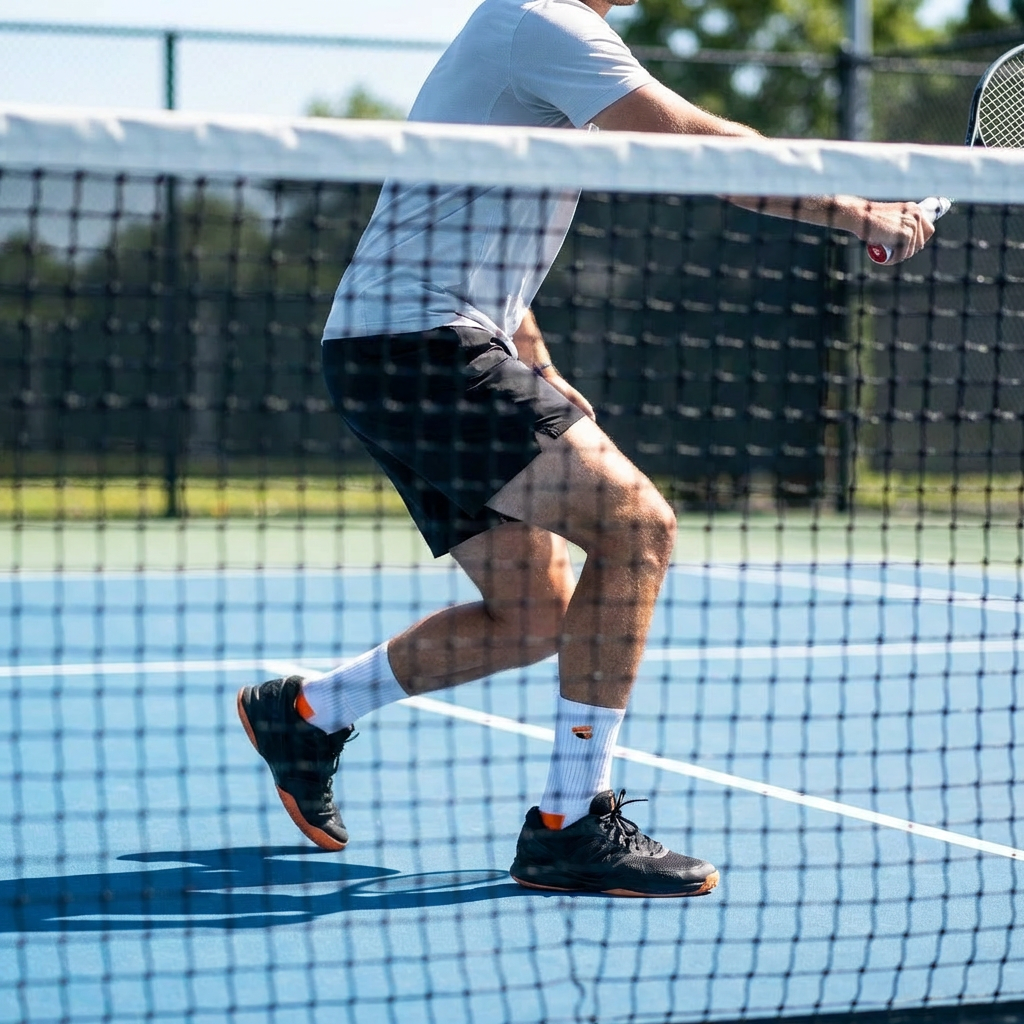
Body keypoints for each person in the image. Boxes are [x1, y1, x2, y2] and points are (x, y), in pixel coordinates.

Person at [237, 0, 934, 898]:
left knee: (532, 615)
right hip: (421, 349)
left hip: (389, 351)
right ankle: (571, 822)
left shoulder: (522, 38)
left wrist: (535, 360)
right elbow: (697, 148)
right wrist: (857, 211)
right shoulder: (547, 23)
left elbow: (472, 218)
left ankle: (305, 712)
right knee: (637, 527)